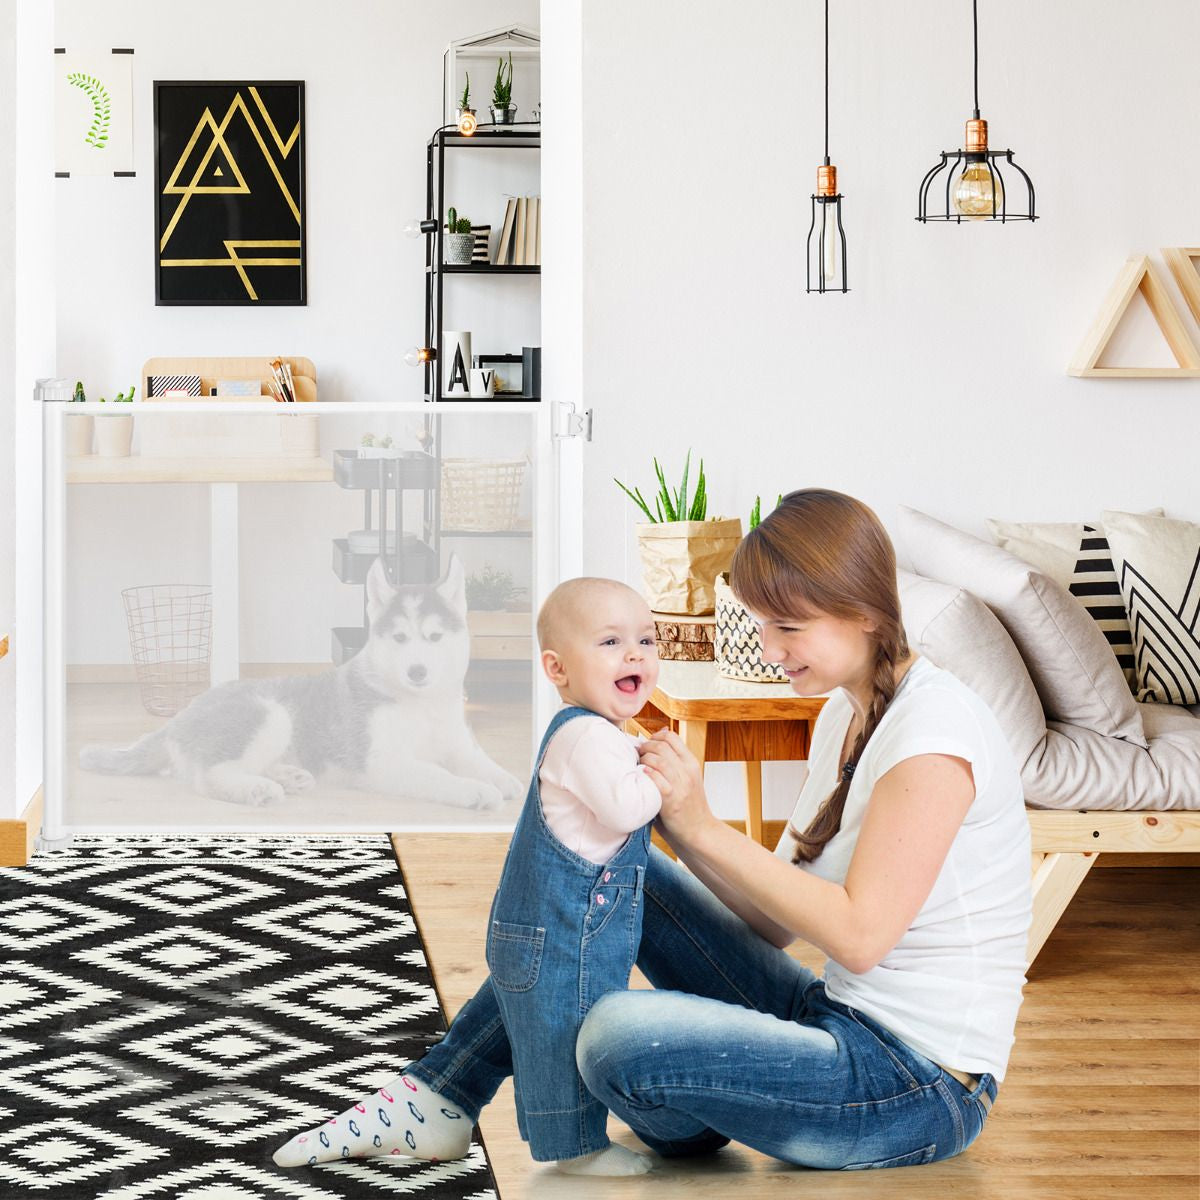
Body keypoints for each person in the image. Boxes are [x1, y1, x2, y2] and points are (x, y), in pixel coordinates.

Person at [278, 488, 1032, 1172]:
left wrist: (698, 824)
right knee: (612, 865)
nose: (769, 650)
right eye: (763, 624)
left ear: (865, 611)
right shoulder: (846, 711)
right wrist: (670, 820)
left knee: (614, 1035)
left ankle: (666, 1103)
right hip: (835, 1018)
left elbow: (861, 936)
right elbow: (772, 924)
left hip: (917, 1086)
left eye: (788, 627)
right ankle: (441, 1093)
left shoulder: (933, 736)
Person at [274, 577, 664, 1176]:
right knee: (563, 1030)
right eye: (612, 641)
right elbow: (625, 810)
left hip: (548, 928)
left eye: (646, 638)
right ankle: (577, 1149)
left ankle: (438, 1104)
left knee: (544, 1020)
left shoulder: (596, 734)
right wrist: (662, 780)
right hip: (565, 934)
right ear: (557, 668)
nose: (635, 653)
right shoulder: (586, 735)